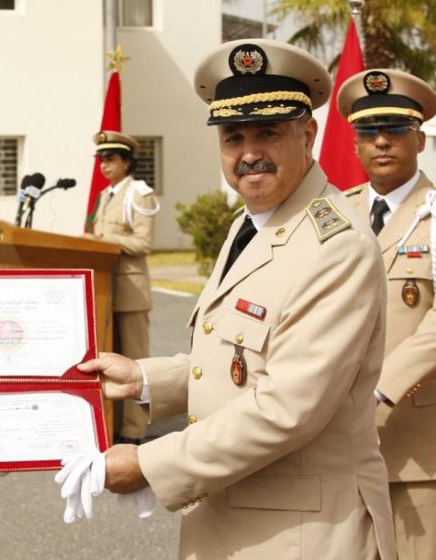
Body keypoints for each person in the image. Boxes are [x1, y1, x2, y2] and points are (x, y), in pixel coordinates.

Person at [75, 40, 397, 559]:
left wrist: (148, 464)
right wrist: (142, 380)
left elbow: (285, 408)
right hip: (240, 513)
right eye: (233, 136)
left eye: (268, 132)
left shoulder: (337, 247)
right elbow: (237, 362)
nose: (249, 153)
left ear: (308, 134)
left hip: (304, 533)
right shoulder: (254, 223)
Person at [337, 68, 436, 559]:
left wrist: (380, 389)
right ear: (354, 144)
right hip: (336, 443)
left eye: (395, 130)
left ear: (419, 138)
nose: (380, 142)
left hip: (414, 445)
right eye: (367, 132)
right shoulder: (335, 213)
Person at [86, 131, 159, 445]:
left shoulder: (139, 193)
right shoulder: (106, 195)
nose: (104, 165)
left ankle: (134, 430)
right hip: (104, 292)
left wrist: (102, 242)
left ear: (127, 161)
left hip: (130, 291)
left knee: (135, 363)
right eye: (101, 159)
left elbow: (143, 243)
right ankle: (112, 425)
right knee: (109, 360)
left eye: (111, 159)